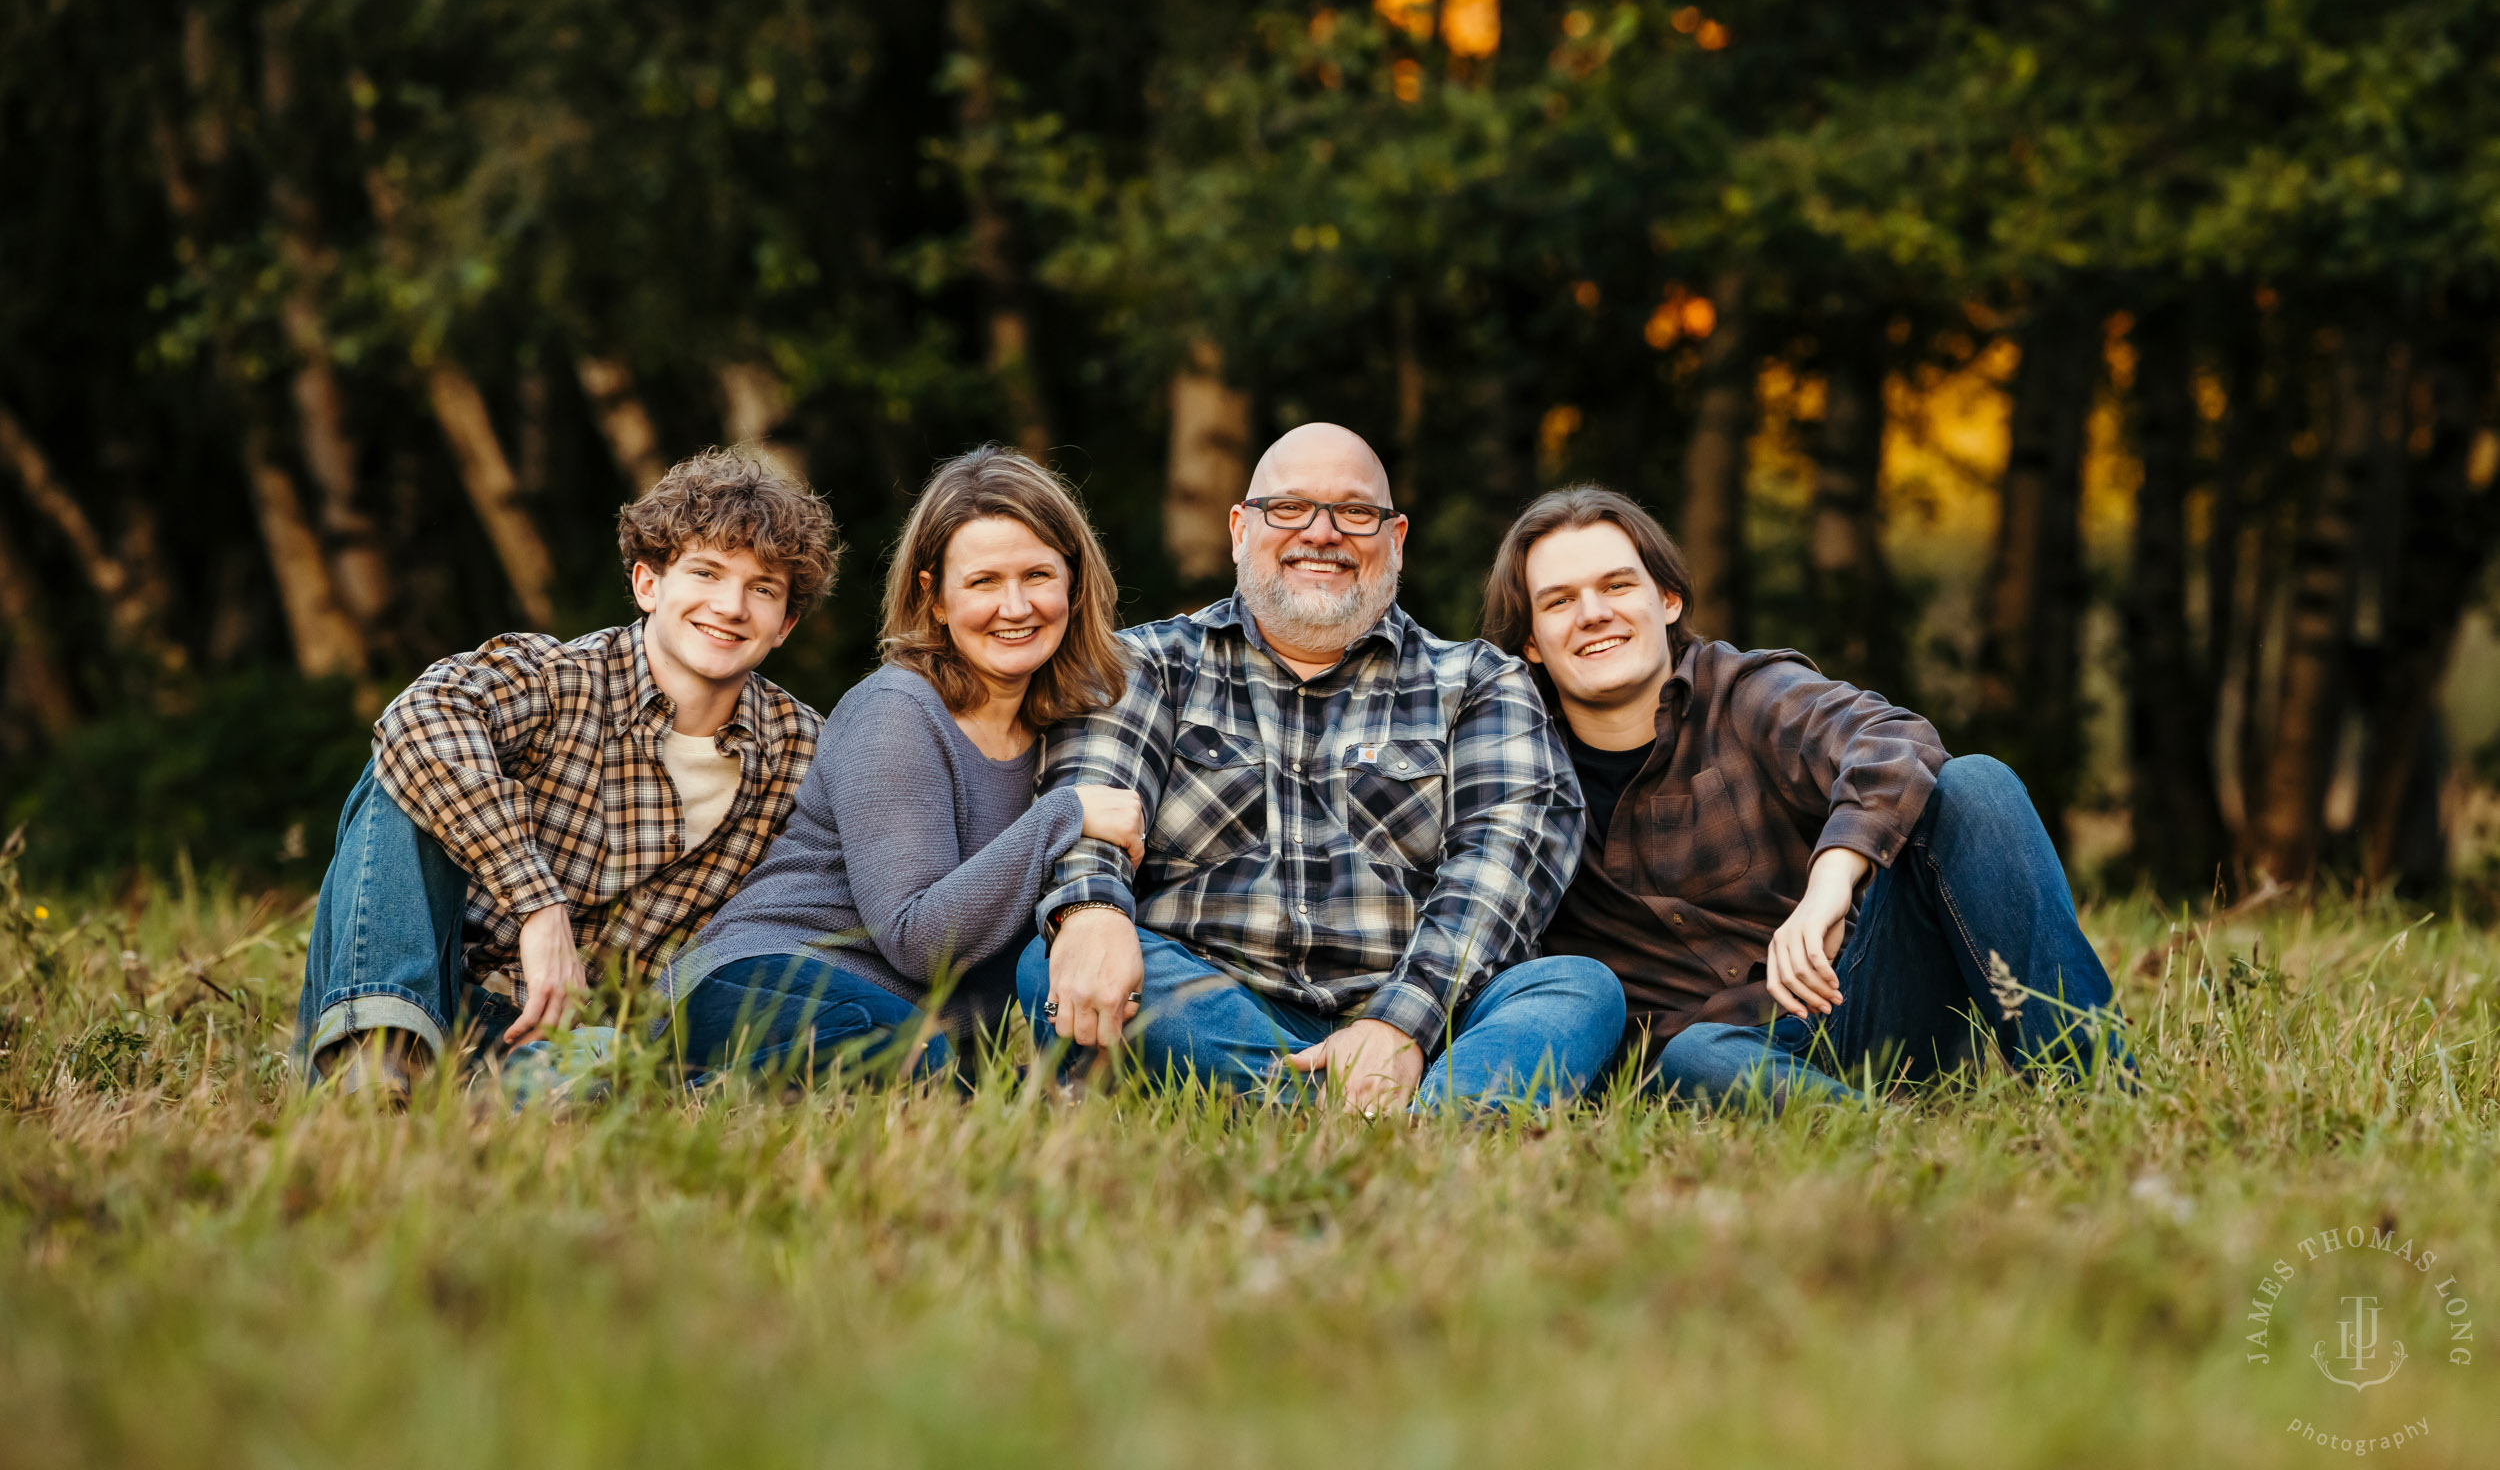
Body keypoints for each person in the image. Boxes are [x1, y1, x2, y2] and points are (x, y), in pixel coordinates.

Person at [1019, 424, 1623, 1113]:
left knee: (1579, 989)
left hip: (1428, 1021)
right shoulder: (1149, 666)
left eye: (1354, 512)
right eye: (1290, 507)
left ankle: (1363, 1104)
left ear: (1395, 538)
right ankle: (1388, 1115)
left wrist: (1397, 1023)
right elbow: (1089, 803)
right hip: (1211, 1008)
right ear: (1240, 527)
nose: (1322, 531)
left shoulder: (1477, 682)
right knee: (1053, 958)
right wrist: (1093, 908)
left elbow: (1504, 867)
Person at [1480, 485, 2130, 1109]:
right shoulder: (1511, 774)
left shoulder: (1747, 693)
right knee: (1692, 1054)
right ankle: (1889, 1142)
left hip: (1862, 1007)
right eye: (1560, 600)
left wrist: (1832, 880)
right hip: (1713, 1066)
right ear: (1531, 640)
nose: (1594, 611)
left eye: (1618, 584)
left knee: (1976, 786)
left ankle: (2097, 1090)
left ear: (1668, 599)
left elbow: (1891, 739)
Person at [296, 447, 841, 1104]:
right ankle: (377, 1063)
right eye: (706, 572)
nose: (730, 605)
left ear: (785, 624)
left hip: (575, 1042)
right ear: (648, 584)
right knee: (405, 764)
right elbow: (419, 715)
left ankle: (471, 1098)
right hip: (435, 992)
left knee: (630, 1066)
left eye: (762, 588)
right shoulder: (560, 680)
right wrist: (537, 903)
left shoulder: (803, 753)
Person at [663, 447, 1140, 1082]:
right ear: (934, 597)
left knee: (1005, 1084)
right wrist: (1067, 814)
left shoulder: (1073, 731)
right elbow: (919, 940)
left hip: (916, 1033)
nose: (1017, 606)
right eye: (983, 582)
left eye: (1037, 576)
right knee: (910, 1054)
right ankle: (650, 1092)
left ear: (1075, 585)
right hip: (756, 982)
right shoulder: (897, 710)